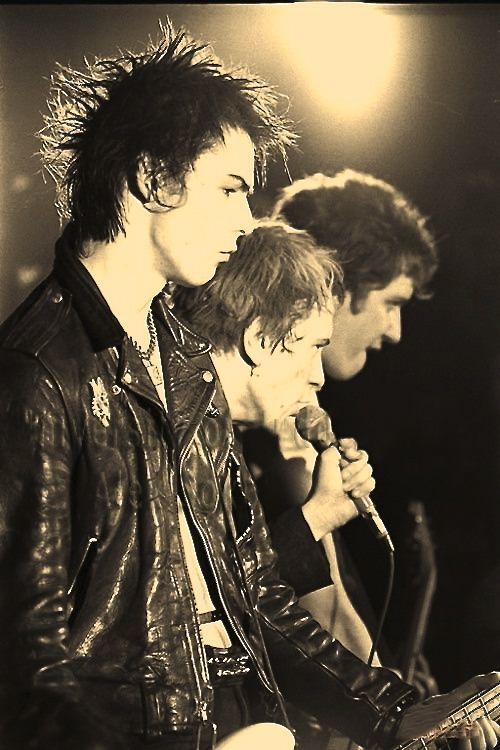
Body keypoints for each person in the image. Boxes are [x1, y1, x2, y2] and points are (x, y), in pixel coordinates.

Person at [0, 20, 497, 750]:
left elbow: (253, 589)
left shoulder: (185, 363)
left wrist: (398, 714)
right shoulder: (38, 375)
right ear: (151, 178)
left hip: (229, 712)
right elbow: (26, 663)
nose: (246, 219)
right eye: (230, 188)